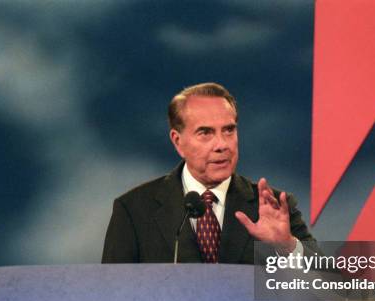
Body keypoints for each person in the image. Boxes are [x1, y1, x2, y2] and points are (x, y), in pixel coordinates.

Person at [102, 82, 317, 264]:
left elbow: (333, 288)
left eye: (229, 130)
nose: (222, 144)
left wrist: (288, 248)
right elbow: (112, 299)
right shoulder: (134, 210)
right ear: (178, 142)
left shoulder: (274, 207)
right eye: (205, 133)